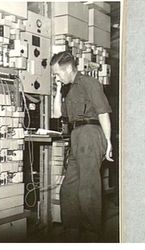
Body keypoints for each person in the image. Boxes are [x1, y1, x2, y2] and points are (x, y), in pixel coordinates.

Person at [50, 51, 114, 242]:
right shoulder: (69, 90)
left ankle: (91, 235)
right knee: (69, 189)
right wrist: (58, 89)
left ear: (69, 68)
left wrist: (108, 141)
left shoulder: (89, 83)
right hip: (77, 136)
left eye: (57, 74)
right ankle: (72, 231)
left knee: (88, 187)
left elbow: (103, 113)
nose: (56, 77)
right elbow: (55, 115)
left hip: (90, 133)